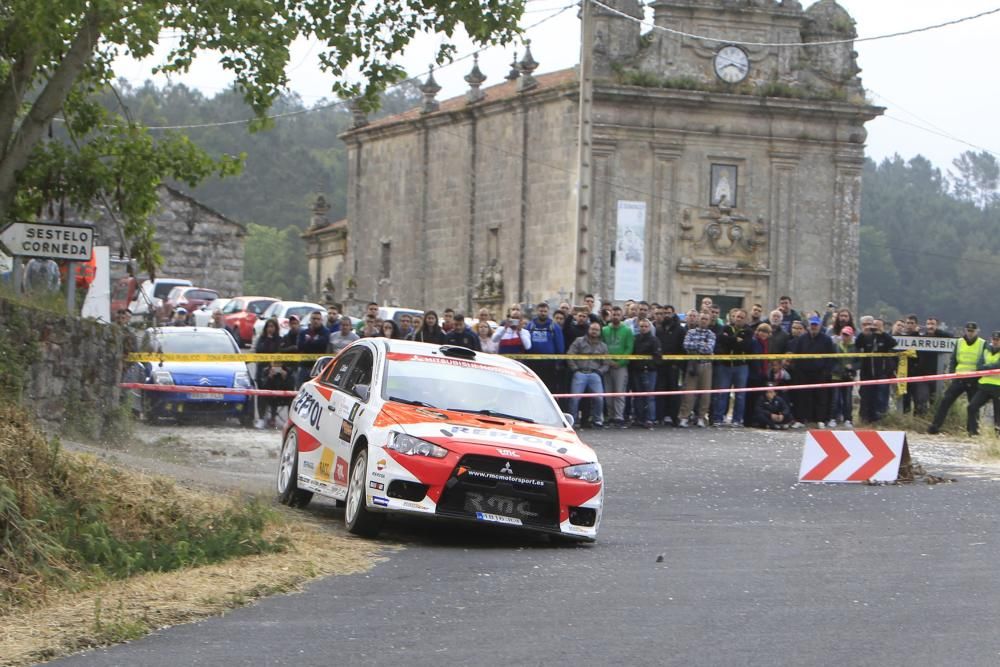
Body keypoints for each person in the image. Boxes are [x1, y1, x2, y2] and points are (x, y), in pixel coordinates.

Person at [928, 322, 986, 434]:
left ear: (977, 331)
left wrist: (978, 376)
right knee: (945, 401)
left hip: (974, 379)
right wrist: (952, 374)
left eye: (972, 331)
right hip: (959, 378)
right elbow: (953, 359)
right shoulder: (959, 342)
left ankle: (973, 431)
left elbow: (984, 360)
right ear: (965, 330)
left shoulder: (982, 343)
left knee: (973, 407)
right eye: (968, 330)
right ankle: (935, 426)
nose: (970, 333)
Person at [787, 315, 835, 428]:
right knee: (801, 396)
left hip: (820, 373)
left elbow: (831, 357)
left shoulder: (826, 340)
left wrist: (826, 371)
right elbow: (797, 355)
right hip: (803, 373)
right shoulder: (802, 339)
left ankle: (820, 420)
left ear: (819, 326)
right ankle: (800, 419)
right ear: (808, 326)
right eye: (812, 325)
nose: (814, 327)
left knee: (821, 397)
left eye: (816, 325)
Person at [711, 308, 753, 427]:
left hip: (741, 366)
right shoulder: (726, 328)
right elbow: (721, 340)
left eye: (741, 317)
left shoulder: (748, 331)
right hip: (726, 365)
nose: (738, 319)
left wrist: (730, 341)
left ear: (746, 319)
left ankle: (737, 419)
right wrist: (735, 340)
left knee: (740, 395)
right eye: (737, 316)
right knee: (722, 393)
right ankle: (719, 418)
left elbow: (745, 346)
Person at [566, 321, 610, 429]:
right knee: (574, 398)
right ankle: (573, 420)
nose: (594, 331)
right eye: (592, 329)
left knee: (599, 398)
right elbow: (570, 355)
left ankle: (597, 420)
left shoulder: (603, 346)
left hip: (595, 373)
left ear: (600, 332)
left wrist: (600, 371)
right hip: (580, 373)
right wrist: (575, 369)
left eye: (597, 330)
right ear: (588, 329)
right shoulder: (579, 341)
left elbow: (606, 362)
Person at [854, 315, 898, 424]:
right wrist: (864, 333)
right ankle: (865, 418)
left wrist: (882, 333)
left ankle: (881, 418)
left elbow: (893, 343)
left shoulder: (884, 337)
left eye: (878, 326)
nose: (875, 328)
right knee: (866, 396)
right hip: (867, 372)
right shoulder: (867, 337)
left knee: (881, 397)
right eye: (874, 325)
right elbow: (857, 344)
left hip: (881, 372)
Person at [678, 311, 715, 428]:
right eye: (702, 318)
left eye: (706, 319)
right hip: (692, 364)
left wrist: (697, 346)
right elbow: (686, 346)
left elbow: (709, 348)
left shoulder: (711, 334)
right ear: (698, 319)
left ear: (709, 321)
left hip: (706, 366)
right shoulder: (690, 332)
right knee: (688, 392)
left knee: (705, 393)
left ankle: (701, 417)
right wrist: (701, 345)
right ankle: (684, 417)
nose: (703, 321)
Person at [601, 306, 634, 427]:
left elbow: (629, 348)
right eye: (613, 314)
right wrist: (607, 360)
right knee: (608, 392)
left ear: (621, 316)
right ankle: (610, 415)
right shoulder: (604, 330)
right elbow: (602, 346)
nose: (615, 317)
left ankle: (618, 417)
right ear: (611, 315)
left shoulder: (627, 331)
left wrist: (619, 362)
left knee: (619, 392)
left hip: (620, 366)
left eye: (618, 314)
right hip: (607, 365)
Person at [254, 318, 290, 427]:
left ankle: (273, 417)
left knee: (274, 394)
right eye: (269, 326)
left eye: (272, 327)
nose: (270, 329)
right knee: (261, 394)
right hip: (262, 370)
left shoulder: (280, 340)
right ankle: (261, 418)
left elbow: (280, 353)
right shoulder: (261, 339)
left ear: (276, 328)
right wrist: (267, 340)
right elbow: (258, 350)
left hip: (275, 371)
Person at [655, 307, 686, 426]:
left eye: (669, 313)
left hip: (674, 366)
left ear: (673, 314)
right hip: (661, 366)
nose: (666, 315)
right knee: (660, 391)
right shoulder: (658, 329)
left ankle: (673, 416)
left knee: (674, 392)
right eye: (664, 313)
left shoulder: (680, 330)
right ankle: (661, 416)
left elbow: (683, 349)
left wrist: (677, 363)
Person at [526, 302, 565, 394]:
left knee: (548, 387)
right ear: (537, 311)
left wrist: (558, 362)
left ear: (548, 312)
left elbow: (560, 346)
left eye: (545, 311)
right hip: (532, 362)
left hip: (549, 363)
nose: (543, 313)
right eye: (541, 311)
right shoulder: (530, 326)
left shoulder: (554, 327)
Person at [966, 331, 1000, 436]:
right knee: (971, 407)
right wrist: (989, 367)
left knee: (998, 415)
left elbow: (997, 365)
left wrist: (986, 367)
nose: (995, 342)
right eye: (994, 340)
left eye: (997, 340)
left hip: (998, 387)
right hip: (984, 385)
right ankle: (973, 432)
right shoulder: (986, 350)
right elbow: (979, 366)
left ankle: (997, 436)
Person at [630, 318, 661, 429]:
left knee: (649, 396)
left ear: (649, 328)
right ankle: (639, 418)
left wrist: (647, 365)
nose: (643, 328)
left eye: (645, 326)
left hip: (649, 371)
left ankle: (650, 419)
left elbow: (658, 357)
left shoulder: (654, 340)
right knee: (638, 396)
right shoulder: (635, 339)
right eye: (641, 326)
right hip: (636, 371)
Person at [745, 322, 772, 427]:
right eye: (761, 331)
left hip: (762, 374)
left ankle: (756, 419)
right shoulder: (755, 342)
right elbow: (755, 359)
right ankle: (748, 420)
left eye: (766, 332)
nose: (763, 334)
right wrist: (760, 372)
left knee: (758, 399)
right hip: (754, 375)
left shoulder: (765, 343)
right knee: (751, 399)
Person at [829, 326, 857, 428]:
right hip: (836, 376)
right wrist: (835, 368)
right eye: (843, 334)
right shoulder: (835, 346)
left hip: (849, 376)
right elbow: (831, 360)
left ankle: (848, 419)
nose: (845, 337)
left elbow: (859, 361)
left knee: (848, 399)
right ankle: (833, 418)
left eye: (847, 335)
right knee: (835, 399)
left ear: (851, 336)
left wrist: (852, 367)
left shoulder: (855, 347)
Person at [295, 311, 330, 388]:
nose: (316, 321)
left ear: (321, 320)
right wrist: (314, 341)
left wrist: (309, 341)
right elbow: (300, 346)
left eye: (318, 319)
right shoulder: (303, 332)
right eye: (314, 318)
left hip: (319, 367)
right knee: (299, 388)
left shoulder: (326, 332)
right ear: (310, 320)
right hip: (304, 365)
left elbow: (322, 345)